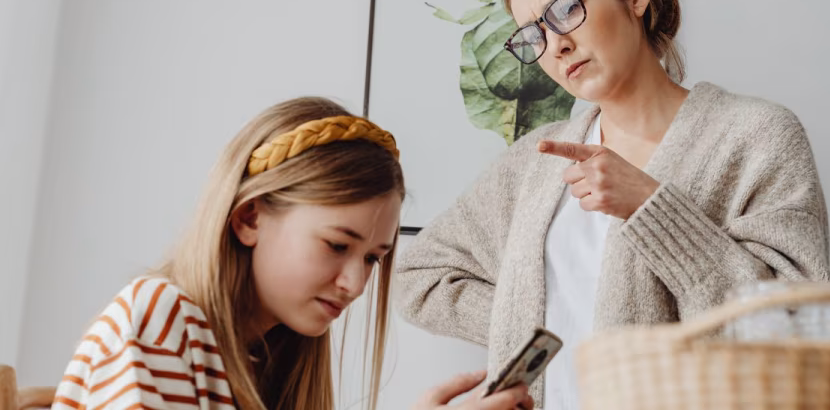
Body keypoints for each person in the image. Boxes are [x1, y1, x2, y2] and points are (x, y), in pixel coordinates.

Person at [394, 0, 830, 408]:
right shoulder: (534, 163)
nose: (556, 45)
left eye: (565, 9)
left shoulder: (756, 135)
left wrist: (652, 208)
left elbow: (797, 329)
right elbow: (420, 276)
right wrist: (528, 323)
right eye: (533, 36)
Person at [51, 97, 534, 410]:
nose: (355, 284)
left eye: (373, 258)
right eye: (337, 245)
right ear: (249, 218)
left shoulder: (272, 363)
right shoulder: (160, 320)